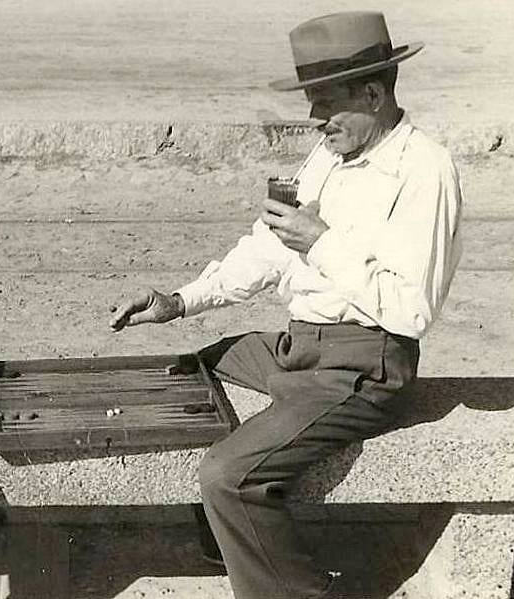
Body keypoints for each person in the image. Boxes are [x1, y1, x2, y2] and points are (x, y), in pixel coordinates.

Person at [109, 11, 463, 599]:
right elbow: (267, 249)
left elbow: (413, 310)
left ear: (373, 94)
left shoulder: (425, 171)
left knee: (227, 475)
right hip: (302, 349)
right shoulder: (330, 155)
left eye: (326, 101)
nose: (315, 116)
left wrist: (320, 242)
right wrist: (178, 301)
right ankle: (233, 544)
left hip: (364, 368)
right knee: (203, 364)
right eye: (311, 100)